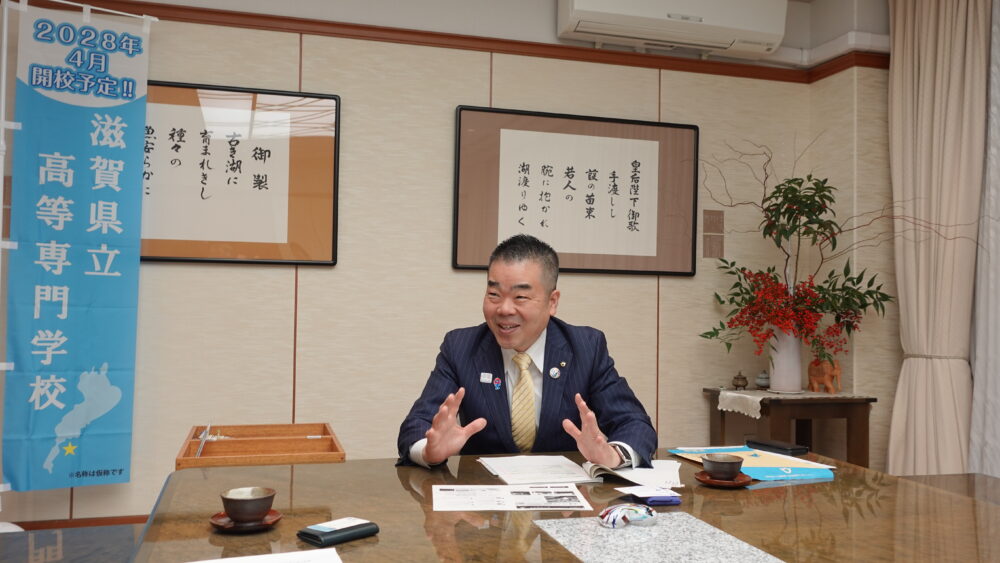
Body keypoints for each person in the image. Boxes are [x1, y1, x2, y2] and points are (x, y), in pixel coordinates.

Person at [397, 234, 656, 468]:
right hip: (484, 508)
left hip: (566, 508)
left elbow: (635, 424)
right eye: (494, 294)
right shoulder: (461, 347)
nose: (504, 309)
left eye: (520, 297)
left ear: (552, 302)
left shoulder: (585, 347)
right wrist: (431, 451)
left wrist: (612, 455)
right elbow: (416, 425)